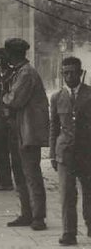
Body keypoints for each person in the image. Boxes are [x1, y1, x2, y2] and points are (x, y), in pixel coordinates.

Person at [2, 37, 49, 231]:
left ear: (13, 54)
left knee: (31, 175)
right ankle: (27, 213)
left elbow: (14, 100)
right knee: (20, 175)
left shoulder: (26, 74)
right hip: (19, 130)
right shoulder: (18, 72)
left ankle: (38, 217)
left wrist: (4, 96)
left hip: (28, 132)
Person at [50, 56, 91, 245]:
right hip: (65, 152)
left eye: (73, 72)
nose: (69, 76)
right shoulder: (57, 97)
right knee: (67, 194)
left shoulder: (90, 94)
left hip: (87, 152)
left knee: (89, 191)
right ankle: (69, 232)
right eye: (65, 73)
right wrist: (52, 153)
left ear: (81, 73)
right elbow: (54, 127)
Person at [0, 49, 15, 190]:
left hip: (11, 117)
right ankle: (4, 181)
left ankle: (18, 180)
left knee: (14, 151)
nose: (0, 61)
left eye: (3, 58)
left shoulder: (13, 74)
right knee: (0, 151)